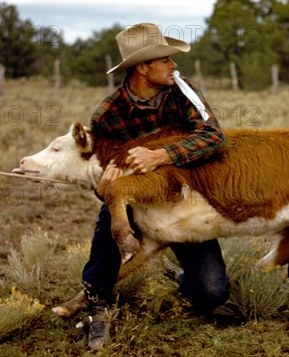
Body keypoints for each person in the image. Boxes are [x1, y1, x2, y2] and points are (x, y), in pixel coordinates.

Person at [83, 23, 230, 350]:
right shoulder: (107, 116)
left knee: (213, 293)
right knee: (110, 220)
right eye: (165, 59)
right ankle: (97, 304)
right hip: (134, 203)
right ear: (142, 67)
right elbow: (100, 174)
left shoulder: (181, 90)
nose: (173, 65)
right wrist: (104, 188)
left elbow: (214, 138)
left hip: (182, 204)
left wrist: (162, 155)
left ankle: (181, 279)